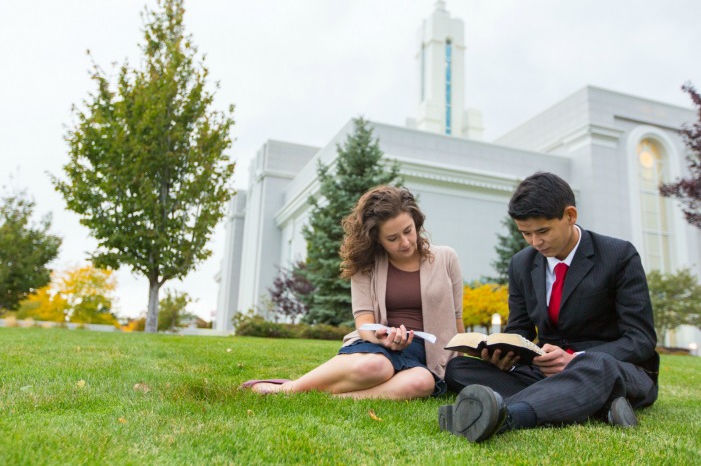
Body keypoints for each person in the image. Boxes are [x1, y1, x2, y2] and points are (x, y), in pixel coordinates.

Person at [441, 172, 659, 442]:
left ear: (570, 215)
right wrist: (501, 352)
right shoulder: (521, 264)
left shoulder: (619, 255)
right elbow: (520, 329)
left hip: (611, 368)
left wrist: (575, 358)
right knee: (459, 370)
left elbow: (641, 339)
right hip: (545, 372)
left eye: (542, 231)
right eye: (526, 233)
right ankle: (595, 405)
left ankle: (508, 415)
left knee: (596, 365)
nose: (535, 242)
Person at [241, 185, 465, 399]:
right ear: (377, 238)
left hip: (424, 355)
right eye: (392, 238)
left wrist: (463, 366)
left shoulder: (446, 258)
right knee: (376, 366)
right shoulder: (366, 264)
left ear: (416, 222)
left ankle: (336, 399)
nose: (405, 242)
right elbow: (364, 321)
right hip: (377, 345)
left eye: (408, 231)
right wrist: (384, 338)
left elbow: (456, 319)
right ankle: (289, 390)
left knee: (422, 382)